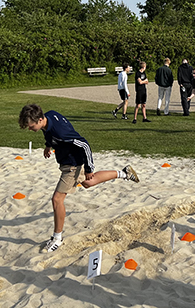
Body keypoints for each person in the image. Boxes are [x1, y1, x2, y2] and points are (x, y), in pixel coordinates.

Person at [18, 104, 140, 252]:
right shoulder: (49, 116)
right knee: (88, 183)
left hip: (72, 165)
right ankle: (124, 173)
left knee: (57, 200)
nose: (30, 130)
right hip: (70, 160)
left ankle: (57, 238)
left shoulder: (60, 131)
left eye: (31, 126)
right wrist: (48, 145)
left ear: (39, 119)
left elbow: (84, 144)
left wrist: (89, 168)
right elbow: (49, 133)